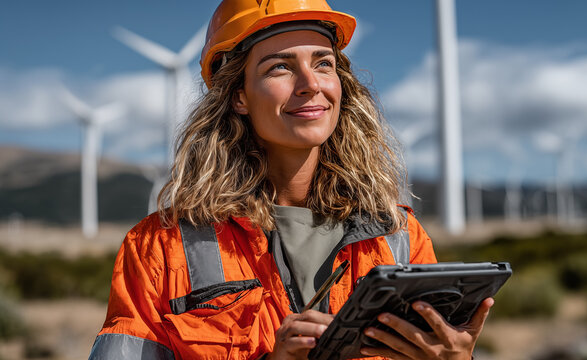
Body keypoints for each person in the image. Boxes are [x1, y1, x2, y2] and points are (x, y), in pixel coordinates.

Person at [89, 0, 494, 359]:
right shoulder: (159, 249)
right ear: (239, 96)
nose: (311, 84)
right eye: (280, 66)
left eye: (323, 63)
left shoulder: (400, 237)